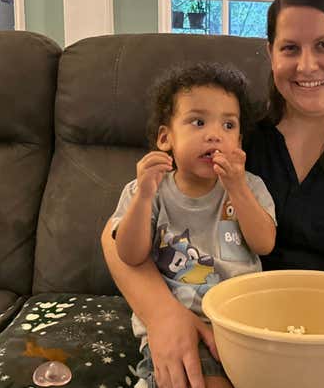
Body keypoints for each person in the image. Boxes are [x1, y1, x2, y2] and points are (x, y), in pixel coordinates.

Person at [102, 0, 324, 388]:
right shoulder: (232, 137)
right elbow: (115, 239)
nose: (307, 66)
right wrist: (165, 316)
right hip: (241, 341)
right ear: (271, 55)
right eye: (290, 48)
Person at [107, 62, 277, 388]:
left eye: (228, 125)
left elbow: (264, 243)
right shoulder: (146, 190)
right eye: (198, 122)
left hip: (241, 324)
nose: (214, 134)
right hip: (178, 327)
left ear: (239, 141)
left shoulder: (250, 187)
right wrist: (143, 198)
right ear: (165, 137)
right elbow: (129, 254)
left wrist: (238, 189)